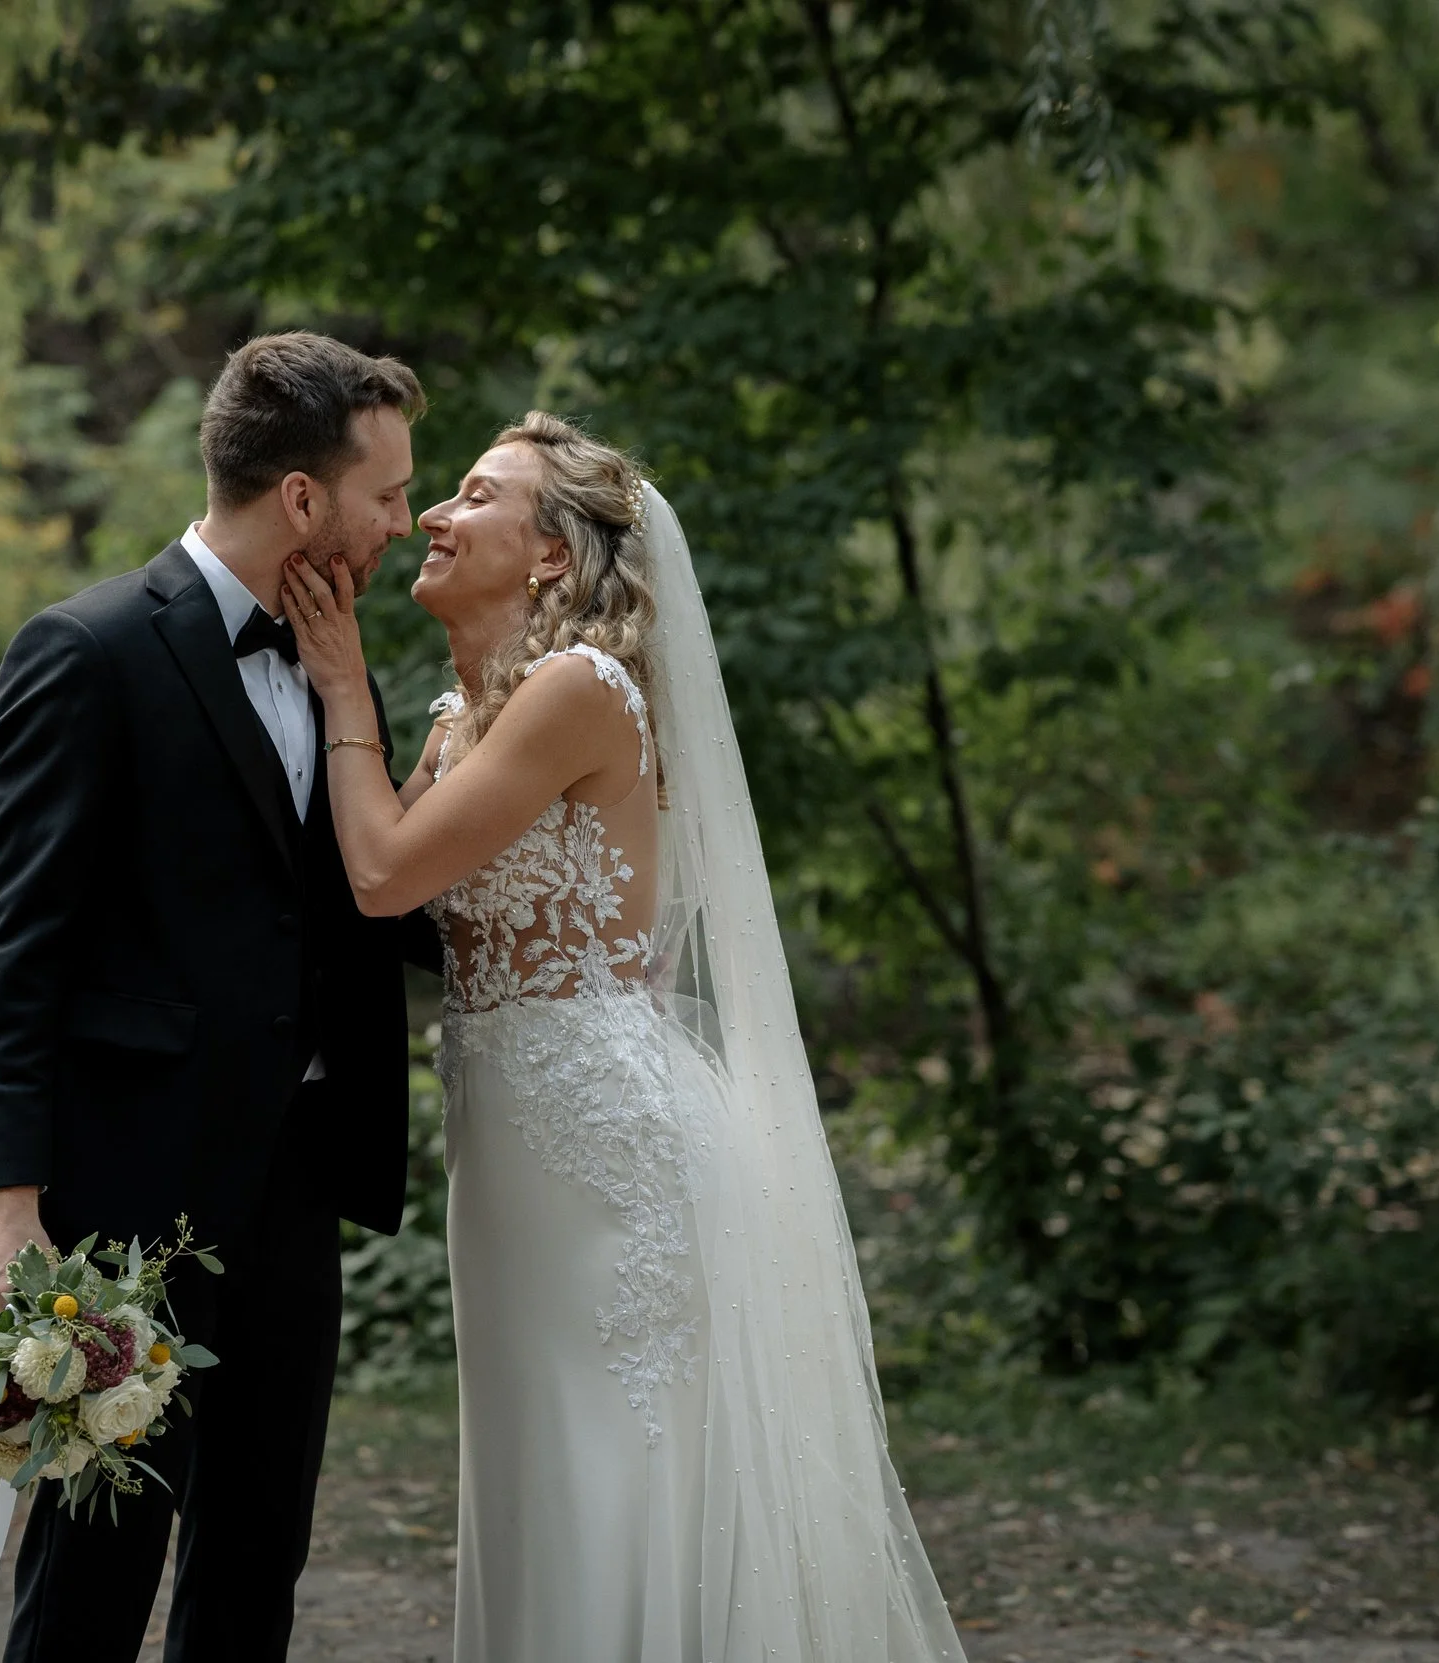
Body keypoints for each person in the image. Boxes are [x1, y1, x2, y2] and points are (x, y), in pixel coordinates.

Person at [284, 412, 971, 1661]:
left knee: (612, 1450)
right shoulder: (458, 717)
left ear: (550, 555)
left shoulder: (577, 691)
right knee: (536, 1448)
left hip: (595, 1148)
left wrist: (338, 688)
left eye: (475, 494)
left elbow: (382, 875)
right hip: (507, 1149)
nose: (433, 514)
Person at [0, 331, 427, 1663]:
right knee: (94, 1571)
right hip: (128, 1199)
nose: (404, 521)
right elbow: (14, 944)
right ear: (300, 500)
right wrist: (5, 1206)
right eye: (386, 493)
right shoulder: (87, 649)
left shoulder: (339, 661)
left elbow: (374, 890)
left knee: (258, 1560)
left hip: (292, 1189)